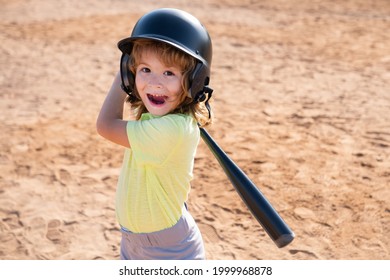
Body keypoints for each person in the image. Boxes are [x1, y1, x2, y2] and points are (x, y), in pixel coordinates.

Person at [96, 8, 214, 260]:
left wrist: (122, 74)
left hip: (167, 251)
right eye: (145, 69)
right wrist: (130, 68)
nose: (154, 83)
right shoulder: (161, 118)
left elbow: (105, 125)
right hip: (134, 242)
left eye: (169, 73)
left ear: (194, 80)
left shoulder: (170, 129)